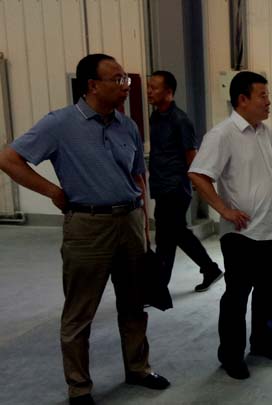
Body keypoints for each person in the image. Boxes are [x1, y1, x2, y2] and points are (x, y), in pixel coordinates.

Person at [0, 54, 169, 405]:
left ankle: (138, 368)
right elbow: (8, 158)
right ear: (92, 85)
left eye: (125, 79)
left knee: (134, 305)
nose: (126, 86)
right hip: (88, 226)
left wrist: (144, 226)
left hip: (130, 221)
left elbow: (138, 176)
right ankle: (79, 387)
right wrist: (52, 191)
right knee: (80, 311)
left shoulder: (127, 125)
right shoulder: (60, 124)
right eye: (117, 79)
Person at [188, 71, 272, 380]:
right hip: (241, 233)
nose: (268, 101)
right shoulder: (222, 135)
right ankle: (231, 355)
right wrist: (224, 209)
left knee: (270, 293)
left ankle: (262, 343)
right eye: (262, 95)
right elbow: (198, 174)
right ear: (242, 99)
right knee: (237, 297)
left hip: (270, 228)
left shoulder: (265, 132)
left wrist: (261, 190)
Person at [147, 70, 223, 291]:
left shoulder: (180, 120)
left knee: (167, 236)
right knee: (174, 234)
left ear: (169, 92)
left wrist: (197, 184)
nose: (149, 91)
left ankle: (158, 287)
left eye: (154, 88)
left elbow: (192, 155)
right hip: (160, 185)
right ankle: (210, 269)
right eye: (148, 87)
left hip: (176, 187)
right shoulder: (155, 117)